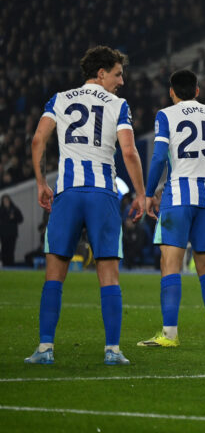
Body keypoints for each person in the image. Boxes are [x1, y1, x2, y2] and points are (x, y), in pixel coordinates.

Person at [26, 46, 146, 365]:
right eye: (118, 74)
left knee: (54, 273)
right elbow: (130, 152)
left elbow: (38, 140)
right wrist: (141, 193)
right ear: (102, 73)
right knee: (108, 274)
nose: (122, 81)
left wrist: (40, 182)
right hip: (102, 195)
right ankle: (112, 351)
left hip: (67, 193)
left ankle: (44, 349)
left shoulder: (60, 99)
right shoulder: (118, 105)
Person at [137, 69, 205, 348]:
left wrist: (147, 194)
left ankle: (169, 334)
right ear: (197, 91)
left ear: (171, 92)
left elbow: (158, 157)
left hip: (177, 194)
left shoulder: (166, 115)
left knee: (170, 263)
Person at [0, 194, 24, 267]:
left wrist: (14, 218)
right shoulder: (1, 210)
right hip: (3, 234)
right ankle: (4, 264)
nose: (6, 202)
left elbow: (21, 219)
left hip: (12, 234)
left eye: (7, 200)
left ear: (10, 201)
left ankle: (10, 265)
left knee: (11, 250)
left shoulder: (15, 209)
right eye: (4, 201)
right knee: (4, 250)